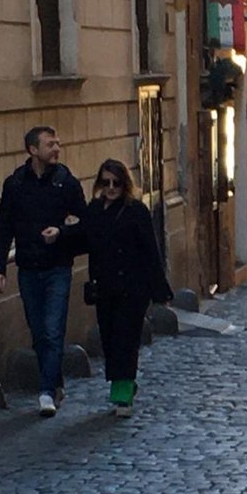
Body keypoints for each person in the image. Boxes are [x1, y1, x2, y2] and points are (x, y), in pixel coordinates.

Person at [43, 160, 171, 417]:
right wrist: (59, 234)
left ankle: (122, 396)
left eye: (116, 183)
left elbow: (151, 251)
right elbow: (81, 235)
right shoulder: (95, 210)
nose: (111, 187)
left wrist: (159, 291)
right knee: (110, 340)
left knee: (126, 340)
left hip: (133, 288)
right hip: (105, 287)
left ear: (125, 184)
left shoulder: (136, 211)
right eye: (106, 182)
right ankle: (124, 383)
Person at [0, 125, 87, 417]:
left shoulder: (66, 182)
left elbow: (85, 222)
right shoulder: (16, 184)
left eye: (57, 143)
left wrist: (61, 231)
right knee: (38, 332)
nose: (56, 149)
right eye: (49, 145)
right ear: (33, 150)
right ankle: (55, 382)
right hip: (28, 267)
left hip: (58, 265)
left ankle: (45, 392)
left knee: (53, 329)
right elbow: (4, 227)